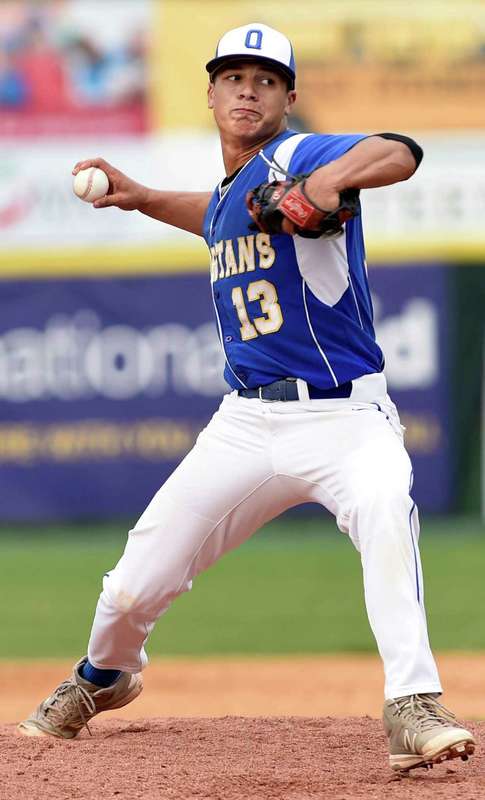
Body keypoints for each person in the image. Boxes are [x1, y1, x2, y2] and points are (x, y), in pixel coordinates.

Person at [18, 22, 475, 773]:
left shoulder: (295, 156)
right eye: (233, 77)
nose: (247, 90)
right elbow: (217, 214)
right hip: (247, 423)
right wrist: (139, 198)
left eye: (264, 80)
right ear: (209, 93)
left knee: (385, 512)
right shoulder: (239, 190)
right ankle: (103, 677)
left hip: (345, 417)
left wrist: (327, 183)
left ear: (287, 99)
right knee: (130, 590)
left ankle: (411, 702)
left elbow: (398, 150)